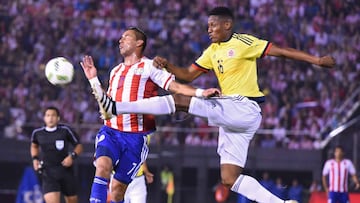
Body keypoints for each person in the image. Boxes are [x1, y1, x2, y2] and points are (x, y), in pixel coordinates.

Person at [92, 7, 335, 203]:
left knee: (178, 101)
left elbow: (282, 51)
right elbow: (187, 75)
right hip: (232, 120)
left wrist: (317, 60)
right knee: (230, 178)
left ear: (227, 25)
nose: (209, 29)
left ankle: (116, 107)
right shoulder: (212, 51)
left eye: (213, 25)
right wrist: (167, 65)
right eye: (208, 25)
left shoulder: (244, 42)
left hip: (243, 106)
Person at [81, 27, 219, 203]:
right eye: (121, 37)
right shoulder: (115, 71)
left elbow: (175, 87)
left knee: (116, 192)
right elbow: (106, 103)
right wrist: (93, 79)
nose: (120, 40)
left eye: (126, 37)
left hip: (135, 138)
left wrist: (200, 92)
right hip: (111, 132)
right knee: (102, 167)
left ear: (139, 43)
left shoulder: (149, 66)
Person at [30, 106, 83, 203]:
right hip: (48, 172)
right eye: (48, 115)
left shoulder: (65, 130)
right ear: (44, 118)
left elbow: (79, 146)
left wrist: (72, 156)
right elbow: (34, 146)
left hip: (65, 171)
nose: (50, 118)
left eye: (53, 115)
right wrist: (35, 159)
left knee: (72, 200)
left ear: (58, 118)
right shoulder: (38, 133)